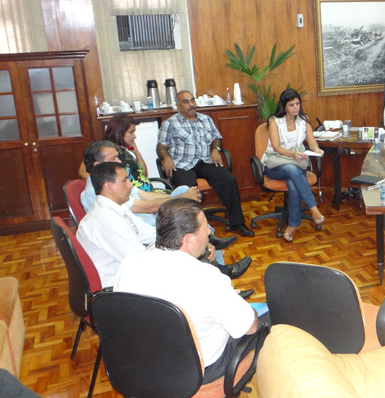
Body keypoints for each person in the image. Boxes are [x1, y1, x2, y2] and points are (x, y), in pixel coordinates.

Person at [115, 199, 261, 384]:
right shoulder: (206, 277)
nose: (209, 232)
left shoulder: (129, 263)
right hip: (196, 372)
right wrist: (233, 300)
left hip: (143, 365)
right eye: (206, 228)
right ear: (189, 239)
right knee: (267, 321)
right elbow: (250, 327)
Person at [77, 162, 251, 288]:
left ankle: (223, 294)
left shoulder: (116, 208)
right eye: (125, 180)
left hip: (134, 269)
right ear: (108, 186)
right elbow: (139, 261)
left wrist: (190, 241)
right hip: (123, 285)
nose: (130, 184)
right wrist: (185, 248)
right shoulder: (105, 220)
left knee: (197, 252)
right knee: (193, 263)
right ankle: (221, 298)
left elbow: (149, 233)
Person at [157, 90, 254, 237]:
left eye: (192, 100)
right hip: (183, 164)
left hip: (204, 160)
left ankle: (237, 223)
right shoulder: (169, 123)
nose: (191, 105)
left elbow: (216, 137)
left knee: (229, 179)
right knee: (188, 190)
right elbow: (161, 147)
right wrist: (166, 158)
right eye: (186, 102)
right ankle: (192, 231)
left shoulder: (206, 119)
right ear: (178, 106)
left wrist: (215, 148)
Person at [260, 88, 325, 242]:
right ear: (284, 106)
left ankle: (293, 225)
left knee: (294, 183)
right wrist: (293, 155)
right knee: (292, 169)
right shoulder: (274, 121)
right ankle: (313, 209)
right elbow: (276, 147)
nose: (296, 107)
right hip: (275, 163)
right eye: (291, 105)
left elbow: (312, 142)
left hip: (297, 164)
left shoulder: (304, 121)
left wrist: (317, 149)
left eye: (297, 104)